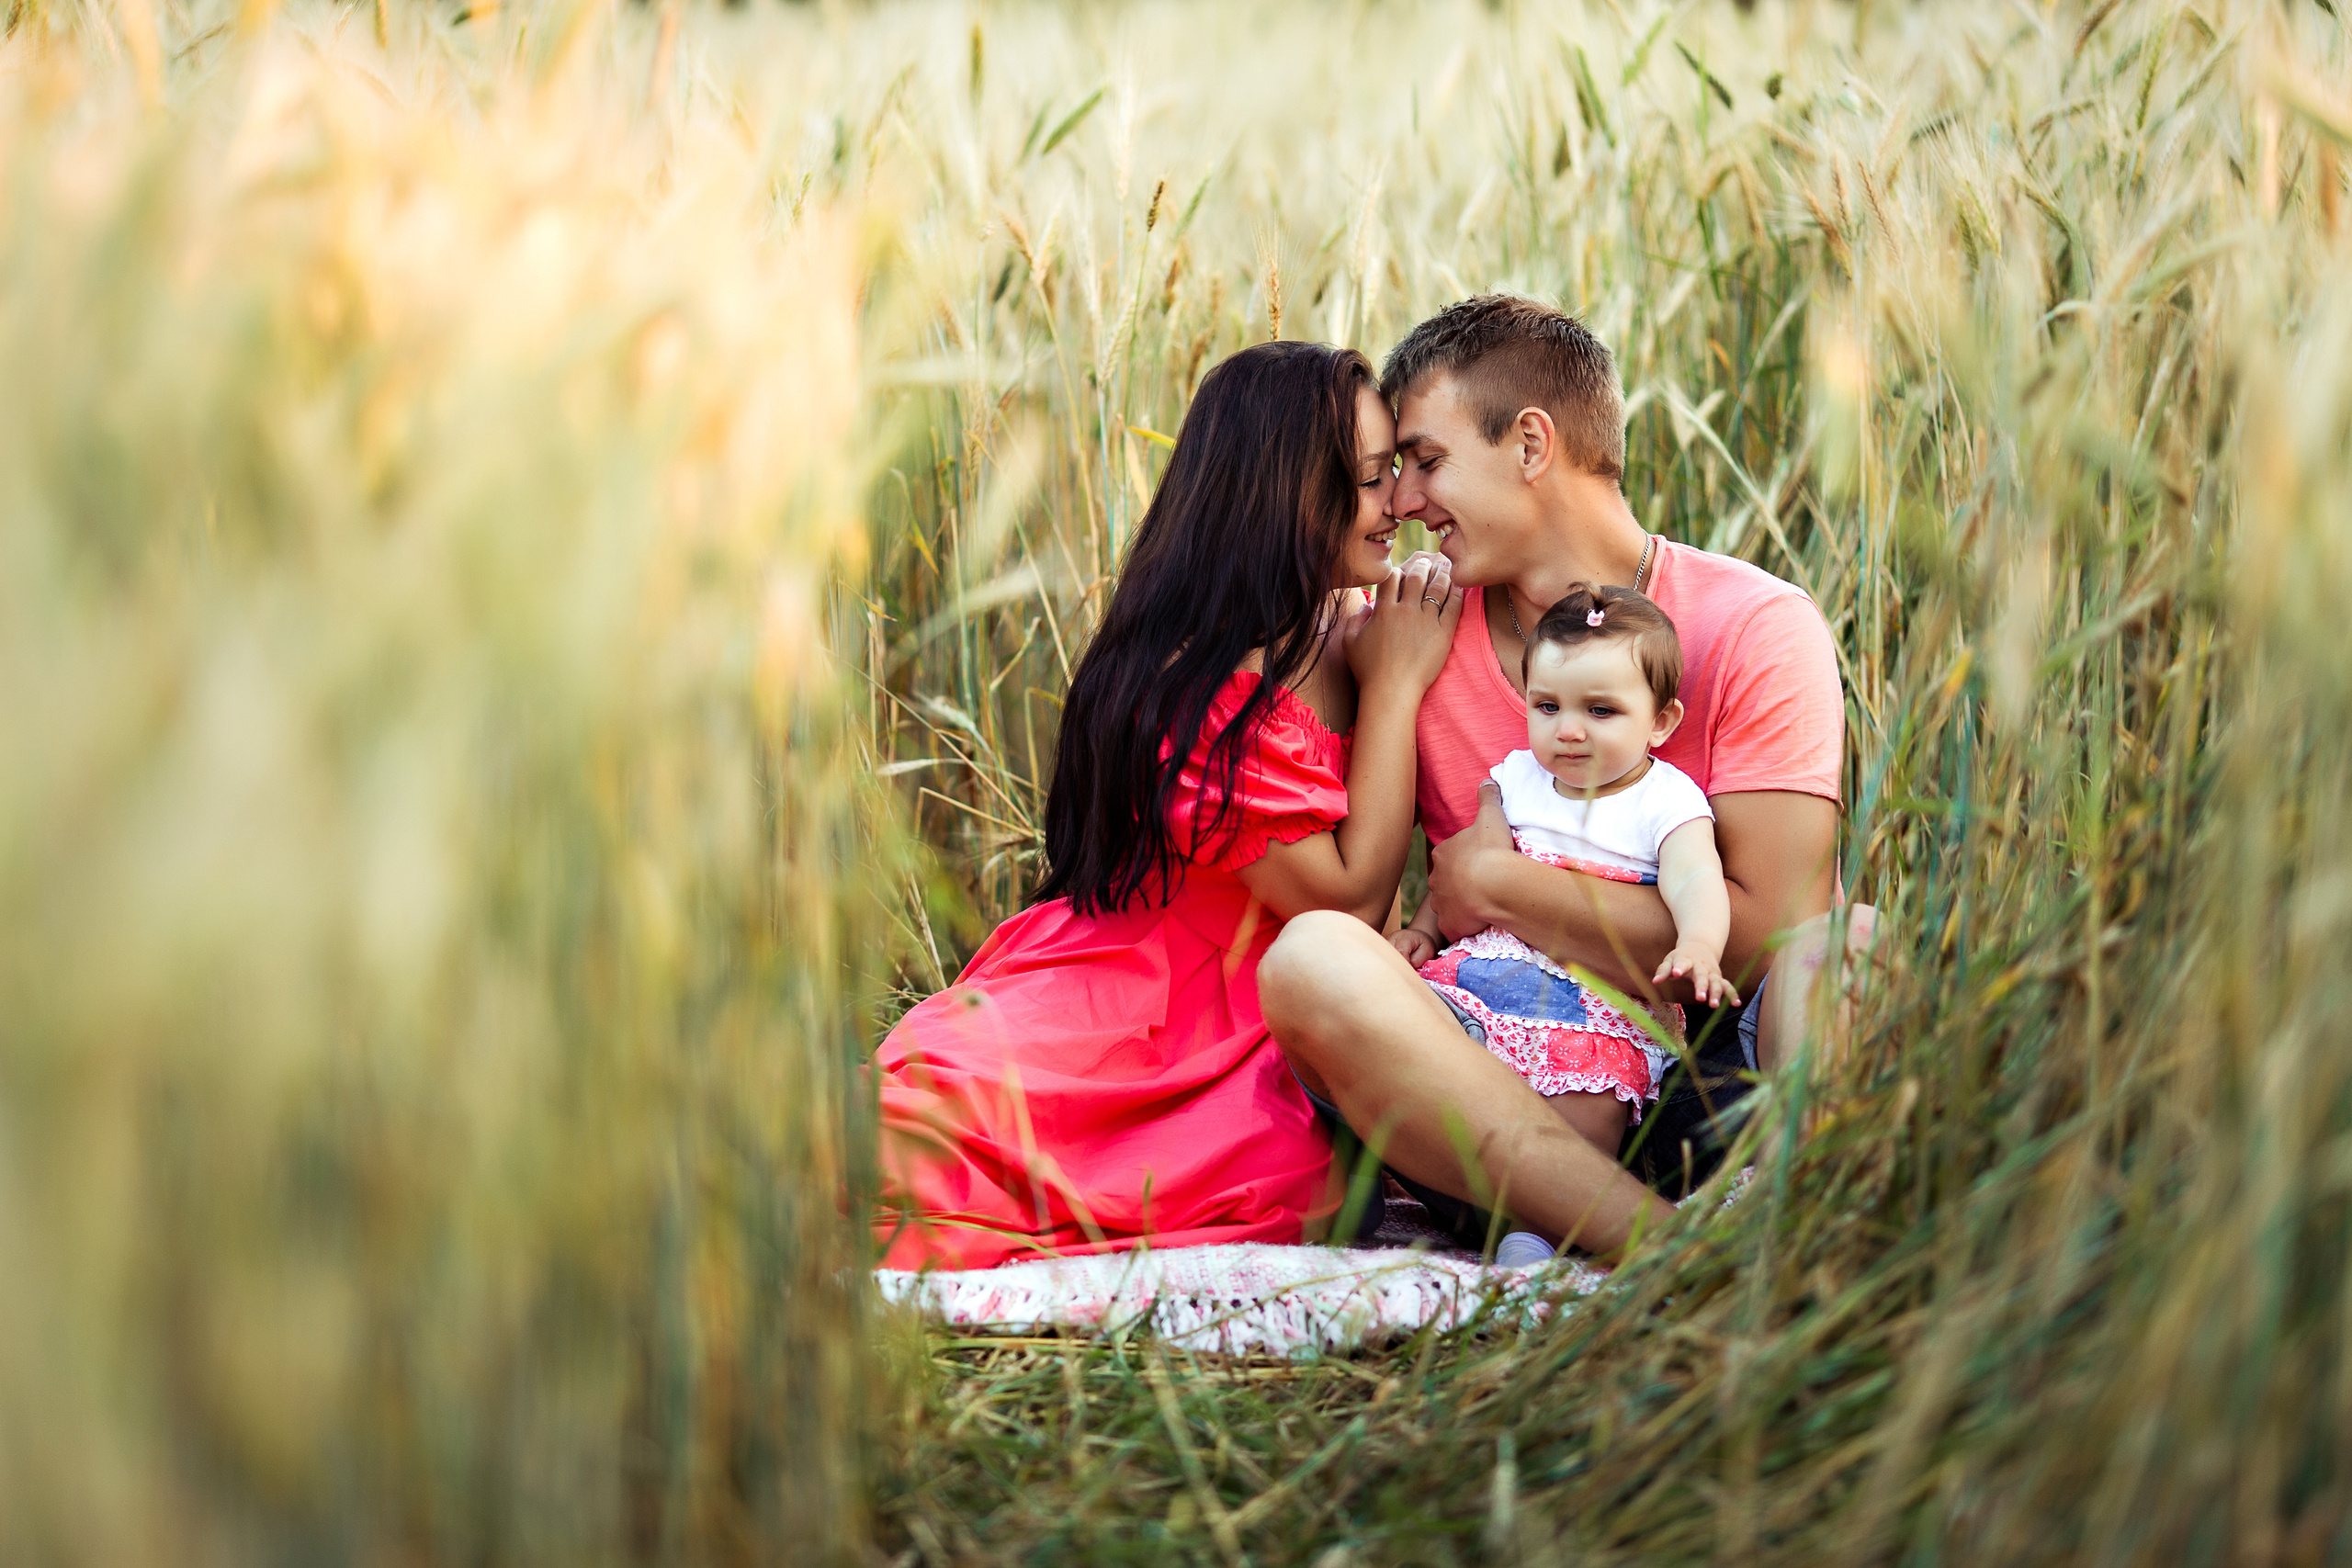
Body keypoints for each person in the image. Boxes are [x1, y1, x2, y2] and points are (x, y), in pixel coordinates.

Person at [1261, 295, 1874, 1259]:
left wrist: (1494, 884)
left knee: (1851, 952)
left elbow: (1768, 933)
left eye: (1425, 461)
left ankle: (1800, 1234)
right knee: (1309, 960)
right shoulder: (1412, 636)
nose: (1406, 503)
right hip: (1506, 1093)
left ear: (1531, 445)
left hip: (1720, 1081)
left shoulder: (1752, 623)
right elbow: (1242, 723)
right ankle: (1670, 1252)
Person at [873, 340, 1463, 1270]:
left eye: (1396, 472)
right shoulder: (1199, 696)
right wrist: (1393, 693)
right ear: (1281, 497)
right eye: (1369, 480)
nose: (1398, 504)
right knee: (929, 1152)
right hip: (1159, 1005)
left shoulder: (1346, 637)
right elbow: (1342, 909)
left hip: (1280, 1011)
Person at [1388, 582, 1736, 1267]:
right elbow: (1463, 870)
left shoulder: (1663, 799)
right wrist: (1427, 930)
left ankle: (1546, 1226)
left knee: (1589, 1102)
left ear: (1661, 720)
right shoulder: (1517, 777)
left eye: (1600, 710)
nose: (1568, 729)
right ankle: (1454, 1192)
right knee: (1432, 1049)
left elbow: (1696, 877)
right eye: (1547, 706)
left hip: (1592, 1000)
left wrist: (1699, 942)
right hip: (1487, 974)